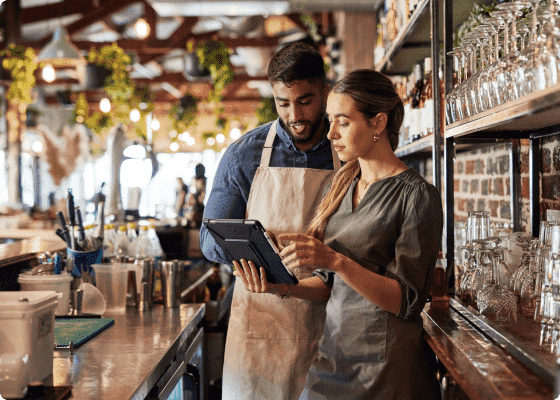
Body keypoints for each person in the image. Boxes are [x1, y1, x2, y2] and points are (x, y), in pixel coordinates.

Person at [233, 70, 443, 399]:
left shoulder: (417, 195)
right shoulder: (340, 184)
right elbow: (327, 284)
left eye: (343, 122)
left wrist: (335, 260)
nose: (330, 133)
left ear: (378, 123)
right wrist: (282, 286)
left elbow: (407, 301)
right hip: (333, 355)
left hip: (385, 368)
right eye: (330, 120)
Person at [200, 42, 341, 399]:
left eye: (305, 101)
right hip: (259, 327)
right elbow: (208, 236)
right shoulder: (244, 153)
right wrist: (252, 247)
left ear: (325, 92)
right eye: (283, 103)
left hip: (330, 324)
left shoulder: (346, 150)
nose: (295, 114)